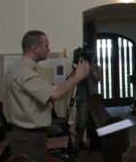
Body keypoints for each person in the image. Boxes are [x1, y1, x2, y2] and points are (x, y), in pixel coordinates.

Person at [5, 30, 90, 162]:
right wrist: (78, 77)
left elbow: (52, 90)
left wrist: (73, 76)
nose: (49, 49)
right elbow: (55, 94)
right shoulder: (25, 72)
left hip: (28, 136)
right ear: (35, 48)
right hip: (28, 138)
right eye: (46, 46)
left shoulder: (21, 69)